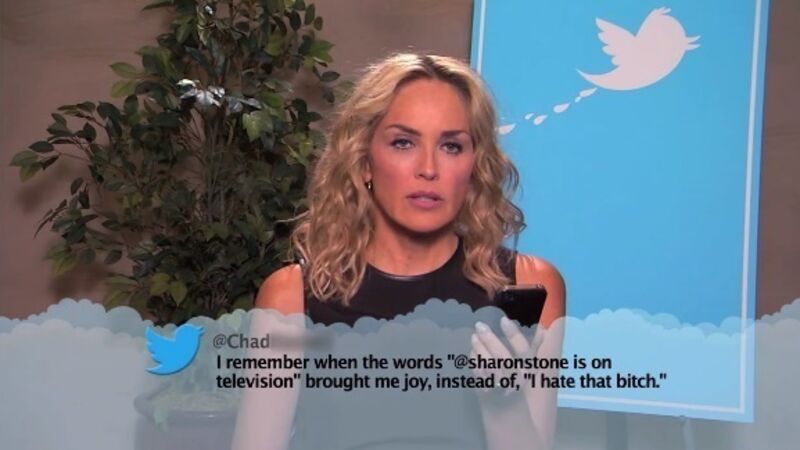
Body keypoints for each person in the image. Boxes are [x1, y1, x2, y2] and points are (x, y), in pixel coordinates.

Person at [233, 53, 566, 450]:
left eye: (451, 146)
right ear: (364, 162)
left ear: (475, 165)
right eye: (403, 142)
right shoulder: (290, 297)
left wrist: (503, 403)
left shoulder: (528, 284)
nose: (428, 168)